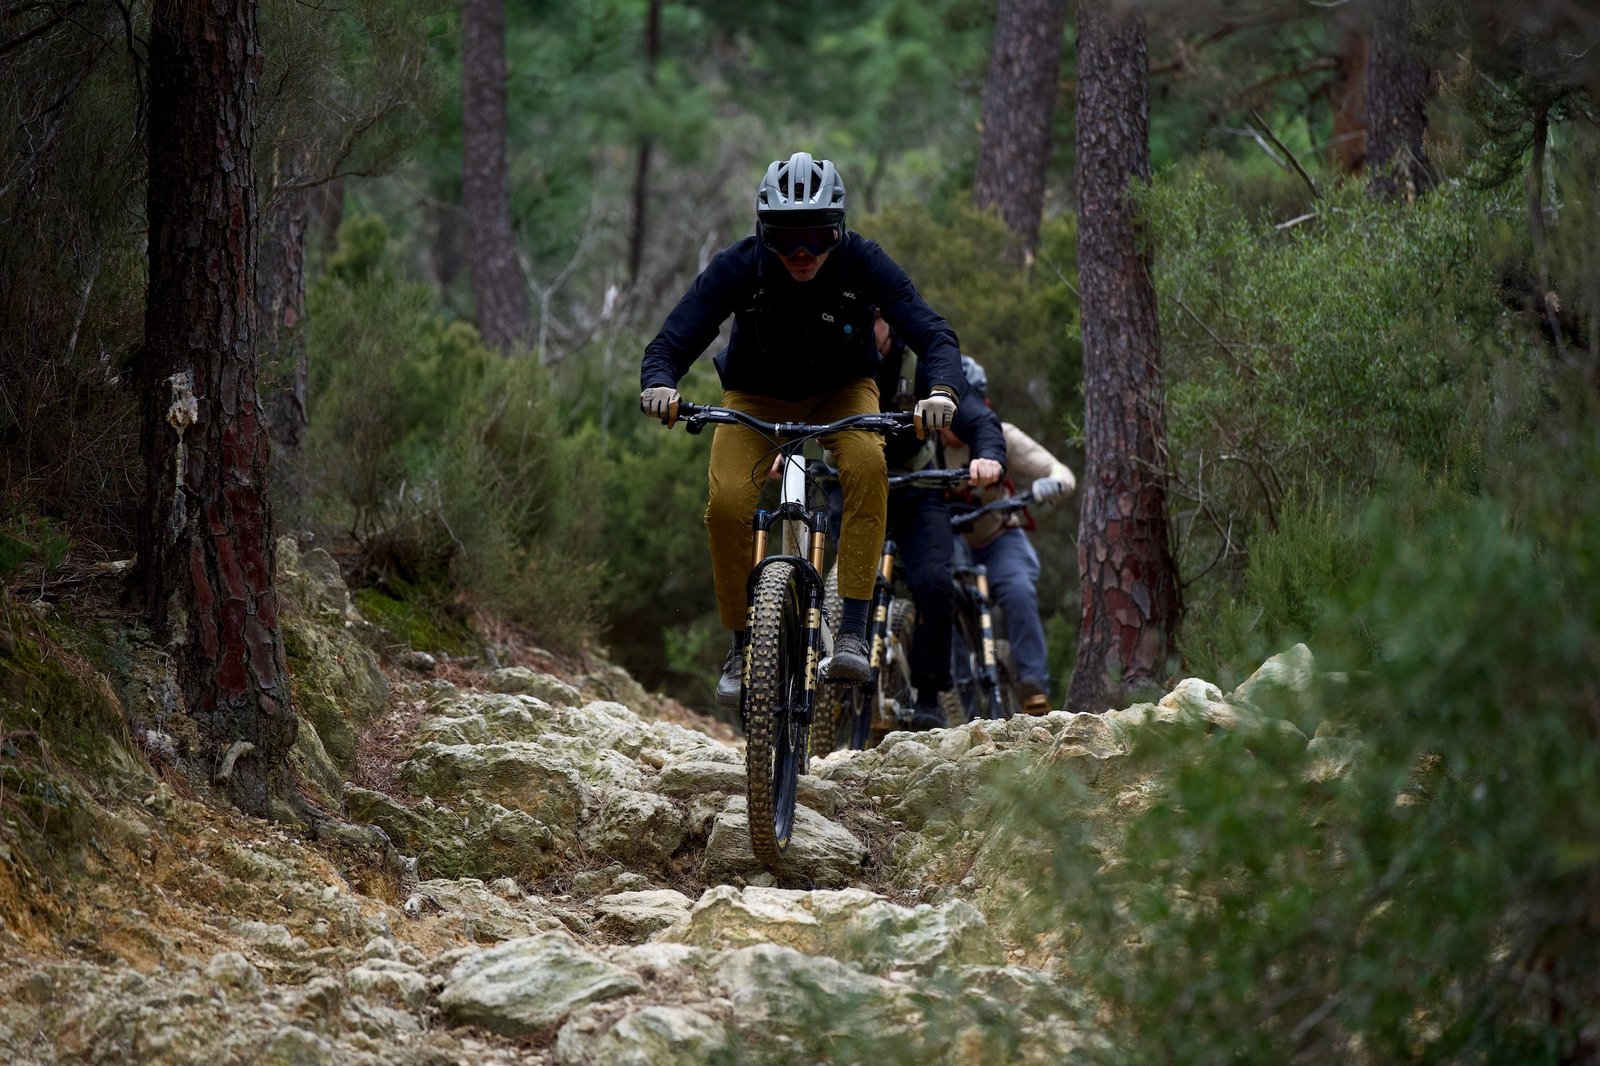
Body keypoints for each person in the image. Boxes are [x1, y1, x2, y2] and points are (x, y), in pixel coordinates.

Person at [640, 152, 967, 709]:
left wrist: (940, 392)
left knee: (867, 465)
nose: (802, 253)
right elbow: (674, 337)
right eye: (786, 238)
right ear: (763, 233)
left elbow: (934, 332)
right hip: (755, 397)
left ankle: (853, 630)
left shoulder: (864, 262)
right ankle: (742, 644)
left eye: (817, 237)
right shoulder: (739, 266)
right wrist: (659, 383)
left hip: (844, 392)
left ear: (838, 230)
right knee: (727, 505)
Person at [863, 313, 1005, 730]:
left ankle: (928, 695)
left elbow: (977, 416)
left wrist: (988, 456)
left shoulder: (919, 362)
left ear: (889, 320)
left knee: (934, 582)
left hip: (917, 487)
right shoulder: (832, 352)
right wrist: (781, 448)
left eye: (874, 317)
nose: (864, 325)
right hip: (850, 486)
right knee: (840, 575)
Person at [937, 356, 1076, 715]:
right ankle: (949, 698)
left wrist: (1051, 484)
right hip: (946, 545)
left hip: (999, 538)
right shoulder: (924, 443)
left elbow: (1059, 471)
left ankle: (1033, 687)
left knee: (1018, 590)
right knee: (934, 598)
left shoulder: (1001, 435)